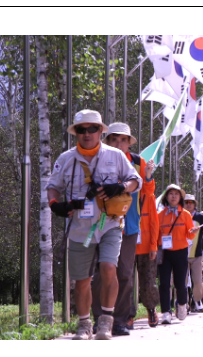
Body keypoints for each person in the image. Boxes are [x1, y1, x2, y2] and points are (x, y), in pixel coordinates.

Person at [46, 110, 142, 340]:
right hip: (80, 228)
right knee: (82, 280)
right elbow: (53, 187)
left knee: (109, 268)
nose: (87, 133)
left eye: (92, 129)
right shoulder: (65, 159)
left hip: (109, 223)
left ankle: (106, 322)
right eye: (81, 129)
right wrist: (55, 205)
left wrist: (120, 187)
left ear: (101, 131)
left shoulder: (116, 156)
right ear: (76, 133)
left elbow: (135, 181)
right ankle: (83, 324)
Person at [91, 122, 156, 335]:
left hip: (129, 226)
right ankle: (100, 318)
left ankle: (119, 320)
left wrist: (147, 176)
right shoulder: (100, 158)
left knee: (125, 273)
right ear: (107, 140)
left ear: (129, 143)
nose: (119, 143)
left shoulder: (138, 162)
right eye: (114, 139)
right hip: (103, 222)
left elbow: (147, 191)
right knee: (102, 272)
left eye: (123, 140)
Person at [157, 184, 197, 324]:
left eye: (176, 194)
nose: (173, 196)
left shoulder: (185, 215)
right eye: (170, 193)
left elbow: (190, 235)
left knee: (180, 283)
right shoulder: (160, 216)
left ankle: (181, 305)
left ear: (180, 197)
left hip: (181, 252)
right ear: (166, 197)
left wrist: (193, 232)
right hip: (165, 252)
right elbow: (156, 234)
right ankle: (166, 312)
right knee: (164, 283)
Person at [183, 194, 203, 312]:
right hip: (181, 254)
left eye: (191, 202)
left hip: (197, 254)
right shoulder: (180, 215)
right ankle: (183, 303)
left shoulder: (200, 217)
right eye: (186, 202)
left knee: (198, 281)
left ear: (195, 204)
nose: (189, 204)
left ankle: (197, 300)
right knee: (181, 281)